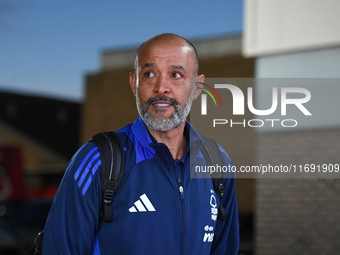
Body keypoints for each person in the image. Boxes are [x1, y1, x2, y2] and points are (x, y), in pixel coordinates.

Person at [42, 33, 239, 255]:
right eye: (150, 74)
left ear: (197, 87)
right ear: (135, 83)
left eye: (176, 74)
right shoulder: (98, 160)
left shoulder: (217, 163)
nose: (161, 87)